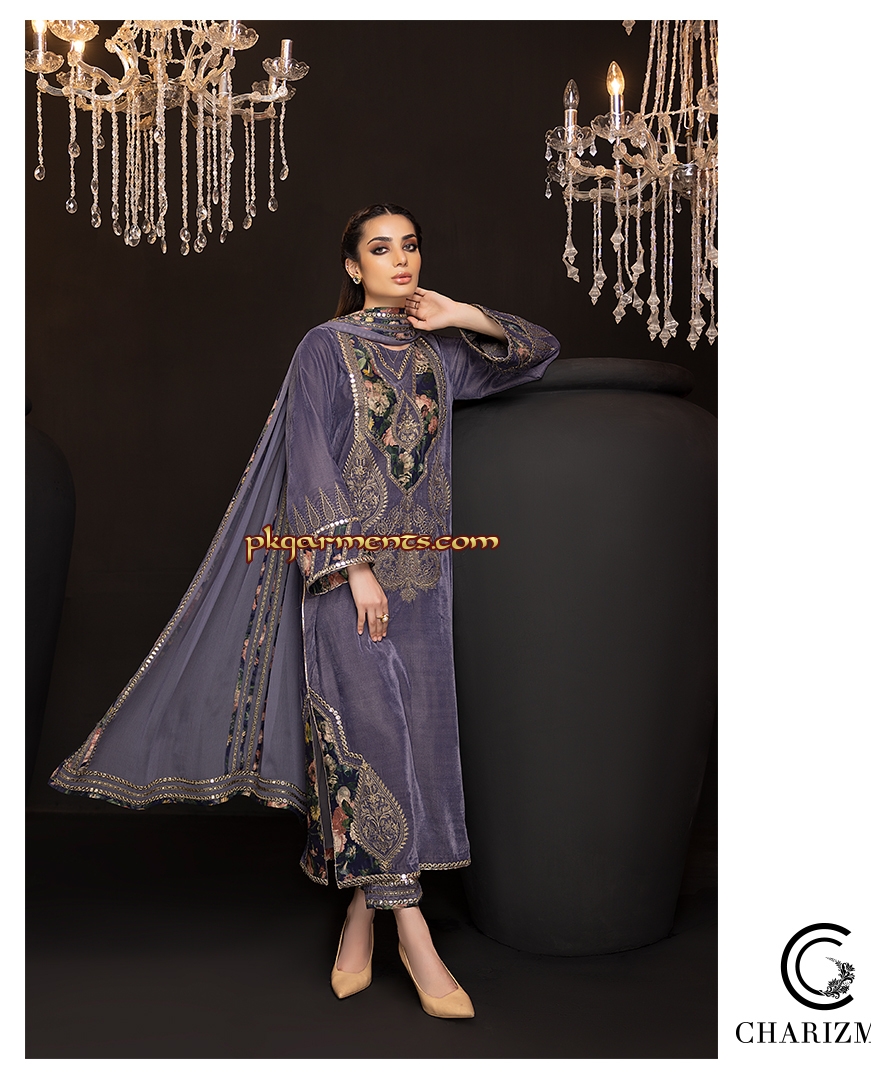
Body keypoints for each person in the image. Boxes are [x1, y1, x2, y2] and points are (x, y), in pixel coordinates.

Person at [50, 203, 560, 1019]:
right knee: (371, 742)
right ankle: (416, 937)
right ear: (354, 267)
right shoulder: (325, 348)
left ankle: (359, 917)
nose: (401, 260)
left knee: (415, 748)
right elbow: (309, 463)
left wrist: (461, 314)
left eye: (411, 246)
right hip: (347, 586)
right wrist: (353, 569)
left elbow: (538, 353)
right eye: (381, 249)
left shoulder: (438, 352)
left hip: (424, 588)